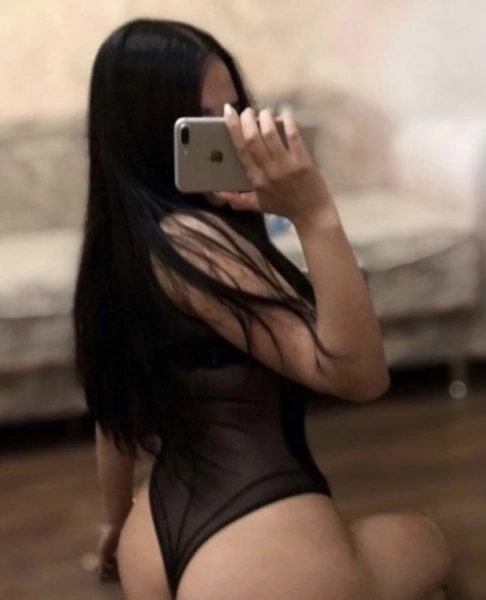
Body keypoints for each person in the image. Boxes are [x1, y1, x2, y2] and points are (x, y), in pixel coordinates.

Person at [73, 18, 451, 600]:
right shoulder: (194, 242)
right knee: (429, 538)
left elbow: (113, 414)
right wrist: (314, 213)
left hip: (155, 539)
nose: (233, 135)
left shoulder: (121, 246)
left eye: (236, 113)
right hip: (247, 551)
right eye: (206, 121)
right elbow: (360, 377)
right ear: (152, 132)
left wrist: (117, 524)